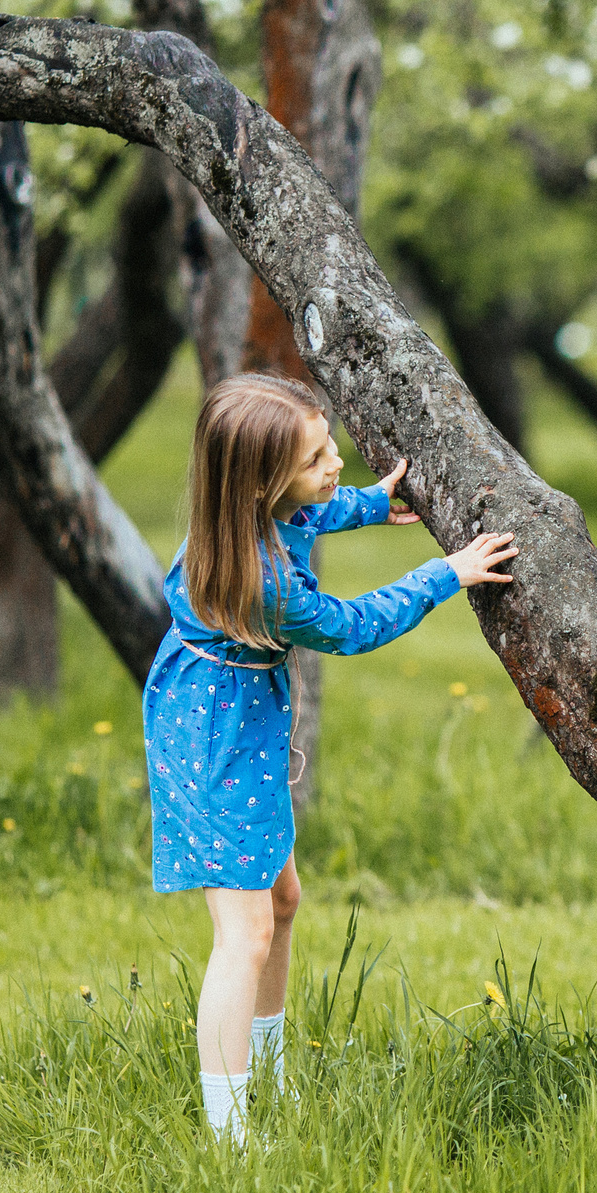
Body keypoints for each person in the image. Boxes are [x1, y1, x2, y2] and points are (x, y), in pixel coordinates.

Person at [145, 373, 518, 1142]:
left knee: (282, 901)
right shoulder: (265, 582)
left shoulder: (269, 513)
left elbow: (315, 510)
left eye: (328, 445)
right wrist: (445, 573)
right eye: (316, 457)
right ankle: (230, 1137)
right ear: (260, 485)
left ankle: (271, 1074)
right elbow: (351, 626)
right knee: (243, 934)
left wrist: (376, 505)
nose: (335, 463)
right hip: (210, 739)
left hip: (237, 720)